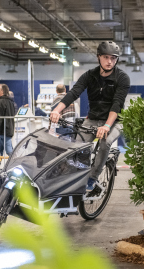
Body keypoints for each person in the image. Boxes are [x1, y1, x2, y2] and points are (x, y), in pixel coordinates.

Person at [50, 41, 130, 191]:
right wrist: (57, 110)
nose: (109, 61)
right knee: (77, 146)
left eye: (113, 58)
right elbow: (73, 93)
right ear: (99, 57)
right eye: (106, 57)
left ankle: (92, 178)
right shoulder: (89, 75)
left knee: (105, 143)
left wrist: (106, 126)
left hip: (115, 120)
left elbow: (117, 104)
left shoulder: (122, 78)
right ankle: (76, 175)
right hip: (93, 118)